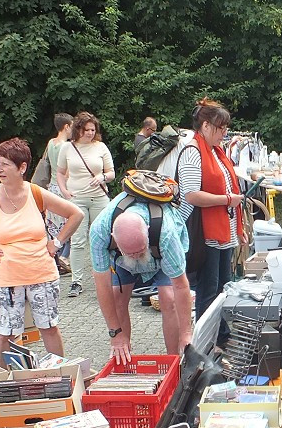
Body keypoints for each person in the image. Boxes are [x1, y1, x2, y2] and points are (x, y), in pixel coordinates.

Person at [0, 138, 83, 366]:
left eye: (5, 164)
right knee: (5, 332)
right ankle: (4, 381)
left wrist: (57, 243)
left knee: (48, 327)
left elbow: (76, 214)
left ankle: (60, 374)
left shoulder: (36, 193)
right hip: (5, 278)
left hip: (41, 273)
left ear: (22, 167)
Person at [89, 184, 193, 362]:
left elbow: (180, 286)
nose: (137, 257)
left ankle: (174, 362)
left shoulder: (166, 234)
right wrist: (115, 334)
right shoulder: (99, 232)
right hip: (122, 260)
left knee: (169, 299)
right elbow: (102, 285)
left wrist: (186, 334)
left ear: (146, 231)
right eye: (132, 253)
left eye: (140, 251)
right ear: (114, 238)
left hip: (158, 253)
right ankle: (123, 358)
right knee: (117, 298)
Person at [175, 99, 246, 346]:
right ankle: (206, 342)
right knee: (209, 290)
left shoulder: (216, 151)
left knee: (223, 286)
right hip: (204, 232)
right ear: (205, 126)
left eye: (226, 128)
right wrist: (228, 199)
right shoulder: (193, 152)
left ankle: (222, 334)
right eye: (220, 128)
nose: (224, 133)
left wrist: (237, 219)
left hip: (221, 230)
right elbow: (191, 195)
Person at [57, 112, 115, 298]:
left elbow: (111, 173)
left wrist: (102, 177)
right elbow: (59, 172)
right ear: (78, 129)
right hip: (77, 199)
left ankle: (108, 277)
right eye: (86, 129)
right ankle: (77, 281)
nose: (90, 133)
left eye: (93, 129)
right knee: (78, 241)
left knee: (104, 239)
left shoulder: (101, 147)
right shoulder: (67, 148)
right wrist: (65, 192)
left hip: (99, 198)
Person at [43, 113, 74, 276]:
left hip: (52, 188)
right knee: (69, 225)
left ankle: (58, 258)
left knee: (55, 226)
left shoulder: (50, 143)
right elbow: (67, 171)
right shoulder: (66, 146)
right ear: (66, 126)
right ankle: (64, 258)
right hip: (64, 188)